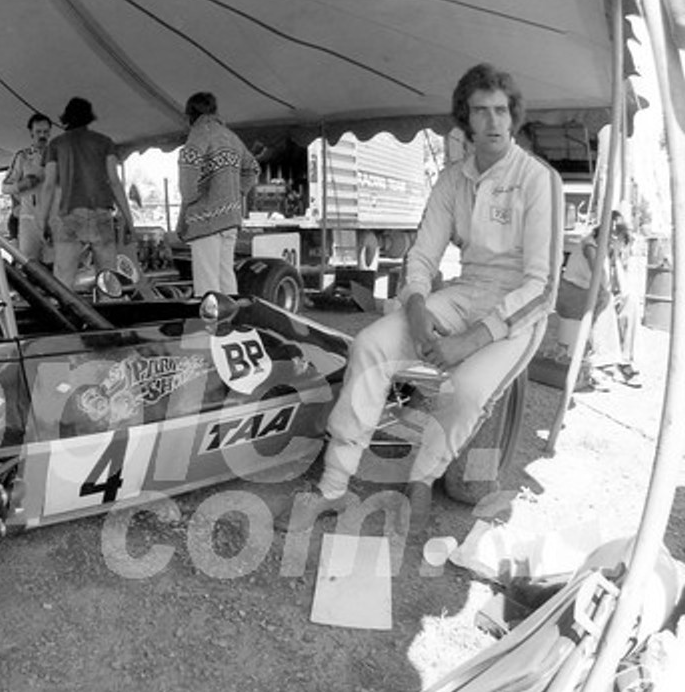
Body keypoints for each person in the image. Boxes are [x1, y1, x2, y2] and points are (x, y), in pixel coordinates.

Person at [275, 63, 563, 534]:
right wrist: (415, 308)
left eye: (501, 111)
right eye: (479, 111)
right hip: (466, 290)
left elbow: (542, 286)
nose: (492, 122)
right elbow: (422, 258)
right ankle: (333, 486)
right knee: (370, 344)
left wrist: (468, 342)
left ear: (513, 116)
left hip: (517, 312)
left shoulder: (537, 179)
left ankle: (423, 478)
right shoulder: (452, 179)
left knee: (464, 391)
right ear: (464, 119)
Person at [38, 97, 135, 287]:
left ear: (66, 118)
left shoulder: (56, 145)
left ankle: (63, 315)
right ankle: (107, 314)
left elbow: (49, 185)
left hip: (70, 216)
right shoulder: (105, 142)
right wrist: (129, 220)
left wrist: (42, 221)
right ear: (89, 117)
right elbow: (114, 182)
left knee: (63, 281)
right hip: (101, 213)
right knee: (108, 280)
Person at [176, 91, 258, 296]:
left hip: (206, 219)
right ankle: (230, 324)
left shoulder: (199, 134)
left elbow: (189, 166)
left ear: (190, 115)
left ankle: (211, 326)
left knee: (207, 282)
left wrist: (190, 198)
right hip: (230, 218)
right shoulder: (231, 137)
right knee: (225, 276)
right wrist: (237, 192)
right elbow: (253, 168)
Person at [555, 212, 640, 389]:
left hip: (593, 292)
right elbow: (600, 278)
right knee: (604, 298)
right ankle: (600, 363)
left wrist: (615, 257)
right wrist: (610, 254)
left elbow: (623, 289)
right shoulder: (590, 245)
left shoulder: (610, 250)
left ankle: (624, 361)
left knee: (630, 300)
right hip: (574, 293)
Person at [1, 112, 52, 261]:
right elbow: (5, 187)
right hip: (29, 220)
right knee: (29, 266)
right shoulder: (22, 157)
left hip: (53, 220)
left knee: (57, 269)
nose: (42, 135)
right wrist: (22, 185)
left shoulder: (58, 156)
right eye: (38, 132)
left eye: (46, 132)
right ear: (31, 133)